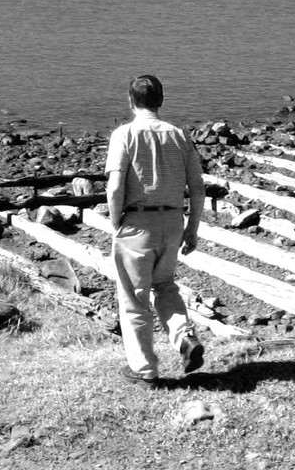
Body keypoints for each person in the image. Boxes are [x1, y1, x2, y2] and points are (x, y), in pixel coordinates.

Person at [105, 74, 206, 386]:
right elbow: (198, 188)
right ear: (161, 100)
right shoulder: (178, 135)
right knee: (165, 286)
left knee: (134, 299)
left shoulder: (124, 135)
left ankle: (144, 370)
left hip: (137, 222)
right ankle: (184, 338)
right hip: (173, 221)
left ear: (131, 101)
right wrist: (192, 229)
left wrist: (115, 221)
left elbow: (115, 186)